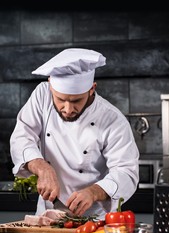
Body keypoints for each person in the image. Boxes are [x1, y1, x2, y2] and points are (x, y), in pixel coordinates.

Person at [10, 48, 139, 219]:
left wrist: (94, 192)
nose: (68, 109)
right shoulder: (42, 96)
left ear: (92, 89)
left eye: (76, 100)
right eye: (60, 99)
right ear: (50, 86)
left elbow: (126, 171)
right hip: (48, 215)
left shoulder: (112, 119)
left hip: (94, 219)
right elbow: (22, 136)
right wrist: (41, 167)